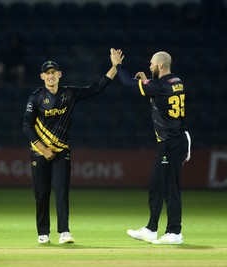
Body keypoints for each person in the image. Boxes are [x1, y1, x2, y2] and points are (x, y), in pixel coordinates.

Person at [22, 57, 117, 244]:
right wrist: (43, 149)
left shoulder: (70, 94)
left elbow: (96, 88)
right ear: (42, 76)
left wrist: (114, 67)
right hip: (40, 152)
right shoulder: (35, 98)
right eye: (47, 73)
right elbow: (27, 126)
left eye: (53, 73)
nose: (50, 76)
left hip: (61, 152)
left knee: (62, 191)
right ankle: (43, 233)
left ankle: (64, 232)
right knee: (41, 194)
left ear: (60, 75)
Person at [110, 48, 191, 245]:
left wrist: (117, 64)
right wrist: (148, 82)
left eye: (152, 63)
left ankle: (174, 232)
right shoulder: (176, 81)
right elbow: (160, 96)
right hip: (176, 140)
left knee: (171, 187)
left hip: (171, 143)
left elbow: (128, 82)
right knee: (156, 184)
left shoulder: (159, 85)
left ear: (160, 65)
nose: (150, 66)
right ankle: (151, 229)